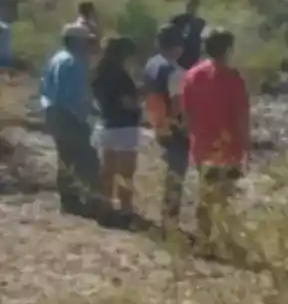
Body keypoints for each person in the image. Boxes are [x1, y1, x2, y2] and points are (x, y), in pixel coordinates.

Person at [180, 27, 250, 252]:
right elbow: (241, 116)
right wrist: (246, 146)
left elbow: (187, 113)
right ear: (228, 49)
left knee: (205, 194)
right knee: (225, 196)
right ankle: (224, 241)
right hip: (227, 147)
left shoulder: (192, 75)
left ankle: (204, 239)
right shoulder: (233, 78)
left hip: (202, 145)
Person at [40, 23, 103, 219]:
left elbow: (47, 88)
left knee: (65, 157)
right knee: (88, 160)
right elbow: (74, 96)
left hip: (53, 112)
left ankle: (69, 202)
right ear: (77, 42)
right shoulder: (75, 62)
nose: (90, 45)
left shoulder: (57, 59)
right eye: (87, 41)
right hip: (68, 115)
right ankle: (92, 202)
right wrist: (84, 117)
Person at [145, 24, 189, 228]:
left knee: (169, 172)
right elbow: (179, 105)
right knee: (175, 175)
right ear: (177, 46)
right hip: (174, 128)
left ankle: (165, 217)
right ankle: (169, 221)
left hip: (157, 122)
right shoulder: (174, 71)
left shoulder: (151, 65)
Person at [93, 36, 142, 218]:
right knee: (125, 173)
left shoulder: (99, 73)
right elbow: (128, 103)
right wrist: (140, 101)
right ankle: (125, 209)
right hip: (125, 127)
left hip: (105, 124)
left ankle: (105, 206)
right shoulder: (122, 77)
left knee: (107, 171)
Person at [170, 0, 206, 71]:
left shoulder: (200, 22)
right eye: (190, 6)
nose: (192, 9)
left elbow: (202, 39)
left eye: (194, 7)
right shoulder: (178, 20)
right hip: (180, 58)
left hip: (194, 56)